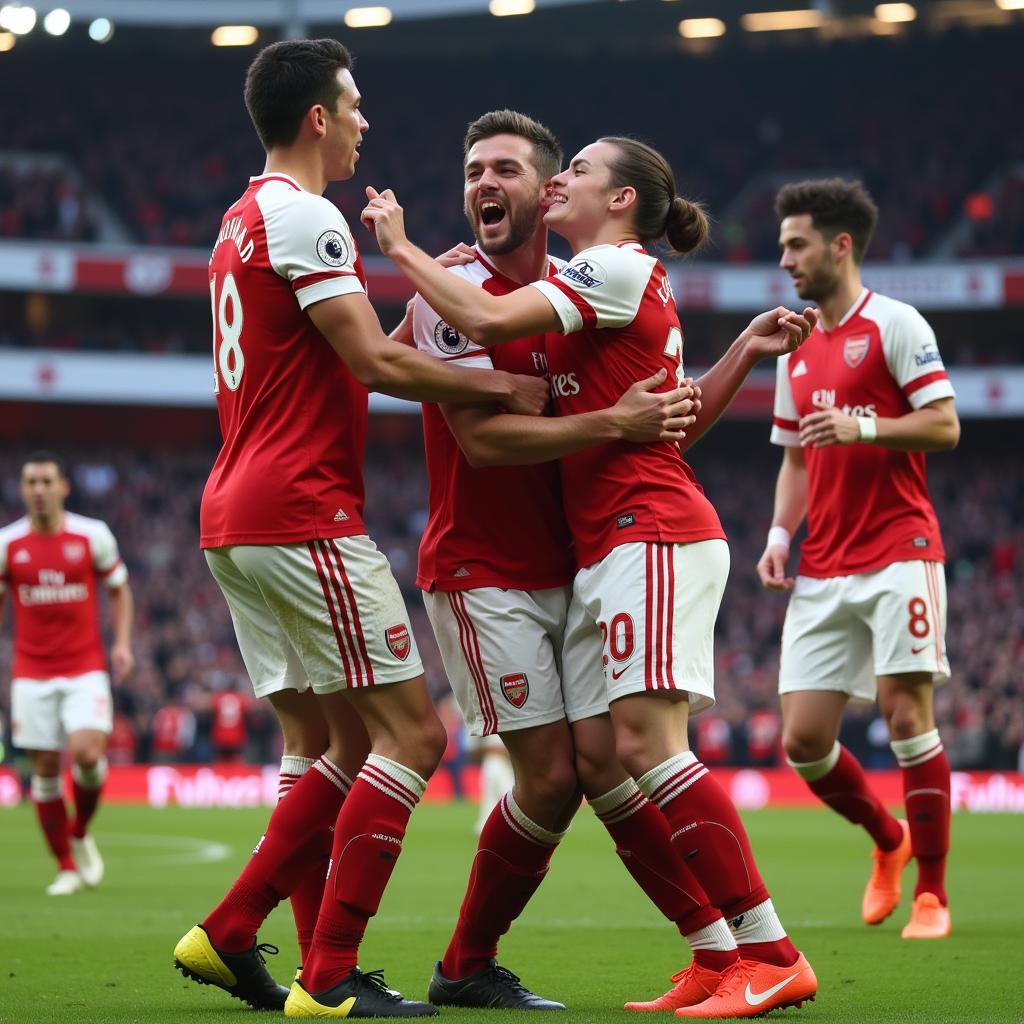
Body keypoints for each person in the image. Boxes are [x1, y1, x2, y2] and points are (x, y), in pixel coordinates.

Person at [364, 136, 819, 1019]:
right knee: (608, 759)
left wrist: (400, 249)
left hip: (643, 531)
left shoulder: (607, 270)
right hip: (606, 540)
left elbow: (502, 331)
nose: (563, 178)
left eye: (575, 169)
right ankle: (717, 954)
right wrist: (740, 358)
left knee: (647, 748)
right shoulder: (596, 288)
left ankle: (768, 952)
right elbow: (665, 422)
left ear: (615, 202)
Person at [172, 39, 549, 1019]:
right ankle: (297, 957)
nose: (365, 123)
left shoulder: (238, 219)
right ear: (317, 120)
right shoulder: (308, 217)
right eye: (354, 106)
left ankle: (301, 963)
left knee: (329, 740)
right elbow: (376, 362)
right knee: (411, 733)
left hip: (236, 512)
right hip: (301, 510)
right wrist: (497, 381)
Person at [758, 178, 959, 940]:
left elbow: (943, 427)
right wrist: (780, 537)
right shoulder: (797, 346)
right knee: (803, 742)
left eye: (797, 245)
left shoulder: (897, 325)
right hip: (824, 562)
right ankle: (889, 839)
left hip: (900, 549)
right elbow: (797, 459)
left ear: (841, 246)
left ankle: (933, 894)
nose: (785, 260)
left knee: (909, 713)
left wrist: (866, 429)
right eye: (782, 247)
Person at [0, 452, 134, 896]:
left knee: (88, 755)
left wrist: (121, 644)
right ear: (23, 490)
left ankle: (79, 833)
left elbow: (118, 589)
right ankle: (65, 866)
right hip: (31, 671)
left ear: (63, 488)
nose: (38, 490)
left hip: (84, 667)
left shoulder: (91, 536)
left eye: (46, 481)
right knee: (43, 766)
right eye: (30, 482)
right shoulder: (8, 544)